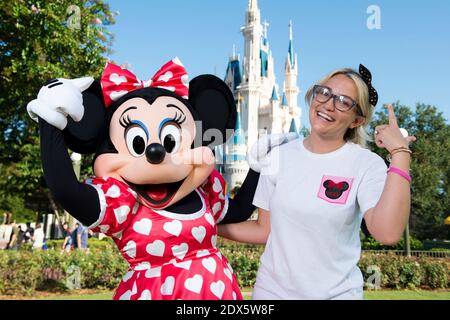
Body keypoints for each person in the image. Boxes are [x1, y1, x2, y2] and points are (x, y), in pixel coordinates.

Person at [219, 65, 415, 300]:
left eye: (344, 101)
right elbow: (265, 230)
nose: (329, 104)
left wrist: (400, 153)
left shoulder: (366, 164)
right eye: (324, 92)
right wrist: (202, 228)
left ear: (357, 120)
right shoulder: (278, 156)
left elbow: (387, 233)